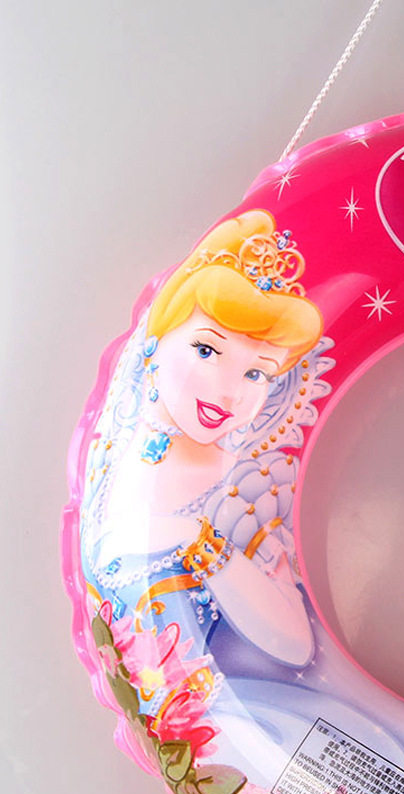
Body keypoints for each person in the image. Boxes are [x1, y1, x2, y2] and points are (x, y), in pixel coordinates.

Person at [82, 210, 326, 667]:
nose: (229, 391)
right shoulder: (120, 450)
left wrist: (197, 538)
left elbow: (296, 646)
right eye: (207, 350)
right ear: (156, 341)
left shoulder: (246, 492)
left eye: (256, 373)